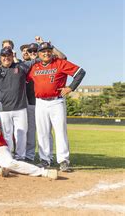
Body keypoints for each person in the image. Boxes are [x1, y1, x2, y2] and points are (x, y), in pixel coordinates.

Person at [27, 42, 85, 172]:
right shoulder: (34, 67)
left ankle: (63, 161)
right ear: (39, 54)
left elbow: (80, 72)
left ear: (52, 52)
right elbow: (23, 79)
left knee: (60, 132)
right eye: (43, 51)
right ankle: (45, 160)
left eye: (48, 51)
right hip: (40, 102)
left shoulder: (60, 63)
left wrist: (70, 87)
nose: (46, 53)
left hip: (56, 101)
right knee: (42, 133)